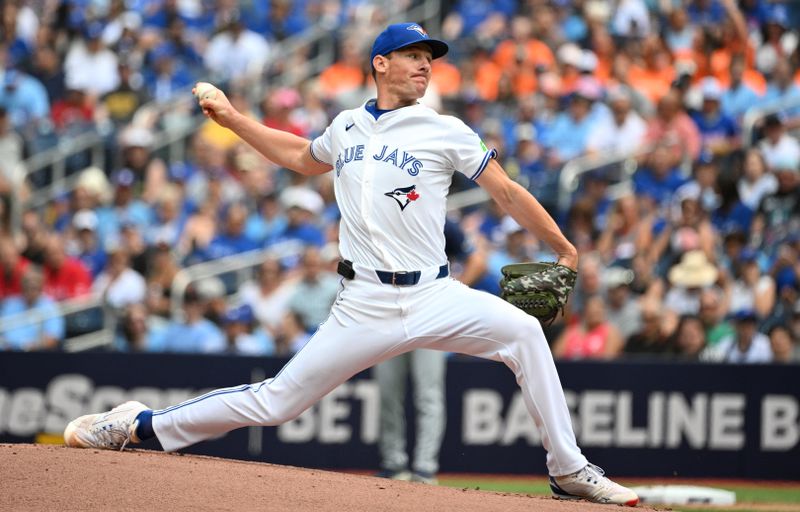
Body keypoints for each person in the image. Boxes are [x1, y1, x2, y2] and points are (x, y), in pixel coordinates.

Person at [63, 23, 638, 506]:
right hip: (363, 301)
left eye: (429, 59)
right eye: (413, 57)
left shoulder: (445, 130)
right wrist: (234, 119)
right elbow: (296, 156)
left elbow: (507, 193)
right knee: (277, 401)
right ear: (380, 63)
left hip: (436, 294)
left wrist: (563, 247)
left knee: (524, 333)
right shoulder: (345, 126)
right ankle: (139, 426)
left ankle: (567, 468)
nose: (425, 67)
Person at [374, 218, 486, 484]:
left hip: (430, 314)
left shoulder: (441, 221)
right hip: (390, 314)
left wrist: (453, 293)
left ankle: (424, 468)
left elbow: (477, 261)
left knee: (428, 394)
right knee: (388, 392)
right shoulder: (384, 214)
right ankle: (394, 465)